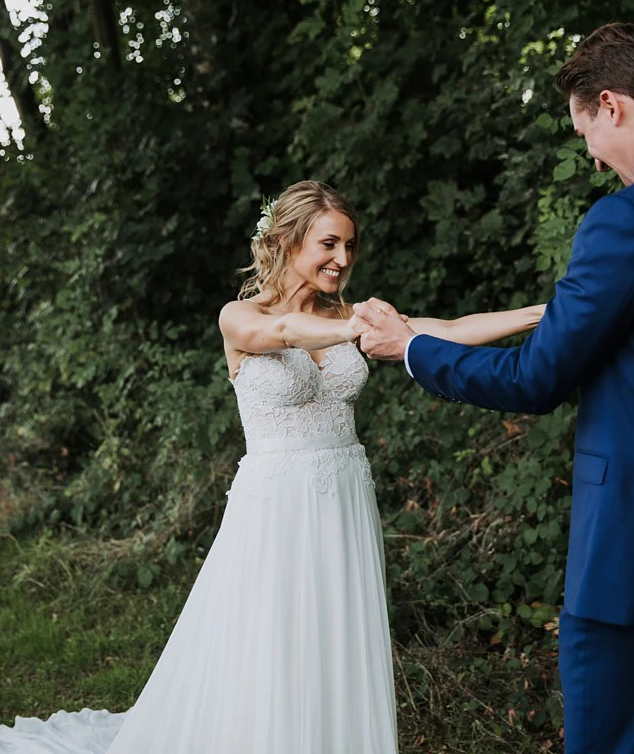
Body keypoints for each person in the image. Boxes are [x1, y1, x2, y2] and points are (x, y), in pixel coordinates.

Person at [353, 24, 634, 754]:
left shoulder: (631, 218)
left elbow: (536, 378)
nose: (590, 157)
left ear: (612, 104)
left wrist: (413, 348)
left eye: (584, 130)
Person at [0, 179, 546, 753]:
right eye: (329, 244)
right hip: (275, 507)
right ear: (288, 241)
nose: (343, 259)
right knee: (272, 641)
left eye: (350, 246)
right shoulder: (240, 317)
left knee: (335, 637)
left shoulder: (350, 315)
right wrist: (355, 329)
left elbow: (454, 329)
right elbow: (282, 331)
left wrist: (549, 312)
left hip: (343, 498)